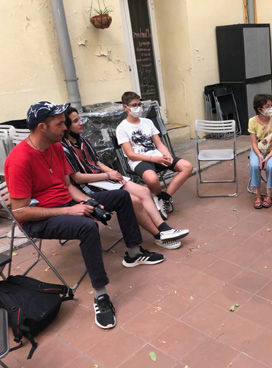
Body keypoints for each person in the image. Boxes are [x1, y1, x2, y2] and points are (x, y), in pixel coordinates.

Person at [4, 101, 166, 330]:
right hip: (39, 220)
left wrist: (86, 202)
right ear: (42, 127)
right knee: (87, 227)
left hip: (67, 203)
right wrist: (70, 210)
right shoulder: (19, 160)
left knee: (121, 197)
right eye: (60, 123)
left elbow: (68, 186)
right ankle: (101, 296)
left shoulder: (57, 147)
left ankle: (133, 253)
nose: (65, 127)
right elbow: (21, 212)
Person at [61, 107, 189, 250]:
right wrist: (108, 175)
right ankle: (159, 236)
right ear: (66, 126)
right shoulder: (63, 148)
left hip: (103, 179)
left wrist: (114, 173)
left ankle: (164, 228)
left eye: (79, 119)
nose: (81, 123)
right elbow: (77, 178)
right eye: (75, 121)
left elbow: (96, 162)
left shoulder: (82, 139)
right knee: (133, 200)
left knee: (144, 192)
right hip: (88, 188)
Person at [115, 91, 193, 219]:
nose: (138, 108)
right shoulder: (122, 128)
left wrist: (168, 155)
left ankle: (163, 198)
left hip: (157, 156)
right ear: (125, 107)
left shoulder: (147, 122)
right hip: (139, 160)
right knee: (152, 179)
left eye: (139, 104)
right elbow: (130, 155)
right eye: (134, 105)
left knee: (187, 166)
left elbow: (159, 143)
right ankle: (160, 197)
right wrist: (153, 158)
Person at [248, 94, 272, 209]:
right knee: (254, 165)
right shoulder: (252, 121)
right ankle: (258, 195)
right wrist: (259, 156)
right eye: (267, 106)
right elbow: (254, 143)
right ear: (259, 109)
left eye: (271, 105)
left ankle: (269, 194)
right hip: (258, 149)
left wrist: (267, 158)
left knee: (271, 166)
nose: (271, 108)